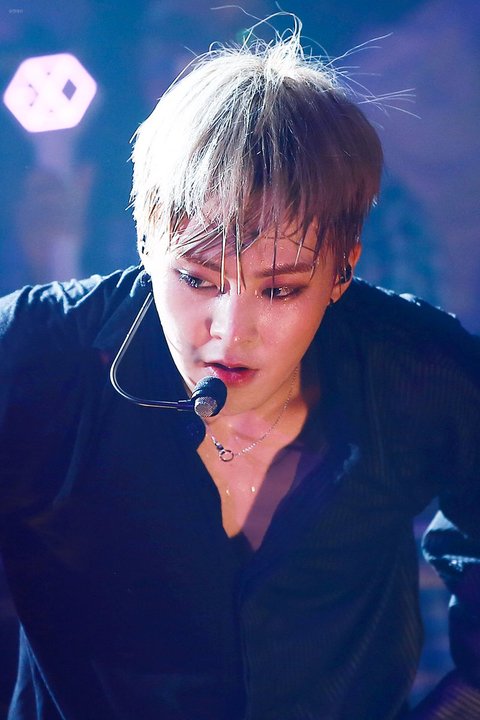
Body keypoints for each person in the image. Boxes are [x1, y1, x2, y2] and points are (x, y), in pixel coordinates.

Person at [1, 24, 480, 720]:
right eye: (197, 279)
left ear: (343, 267)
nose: (230, 332)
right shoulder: (39, 354)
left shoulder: (417, 367)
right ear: (146, 240)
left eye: (280, 289)